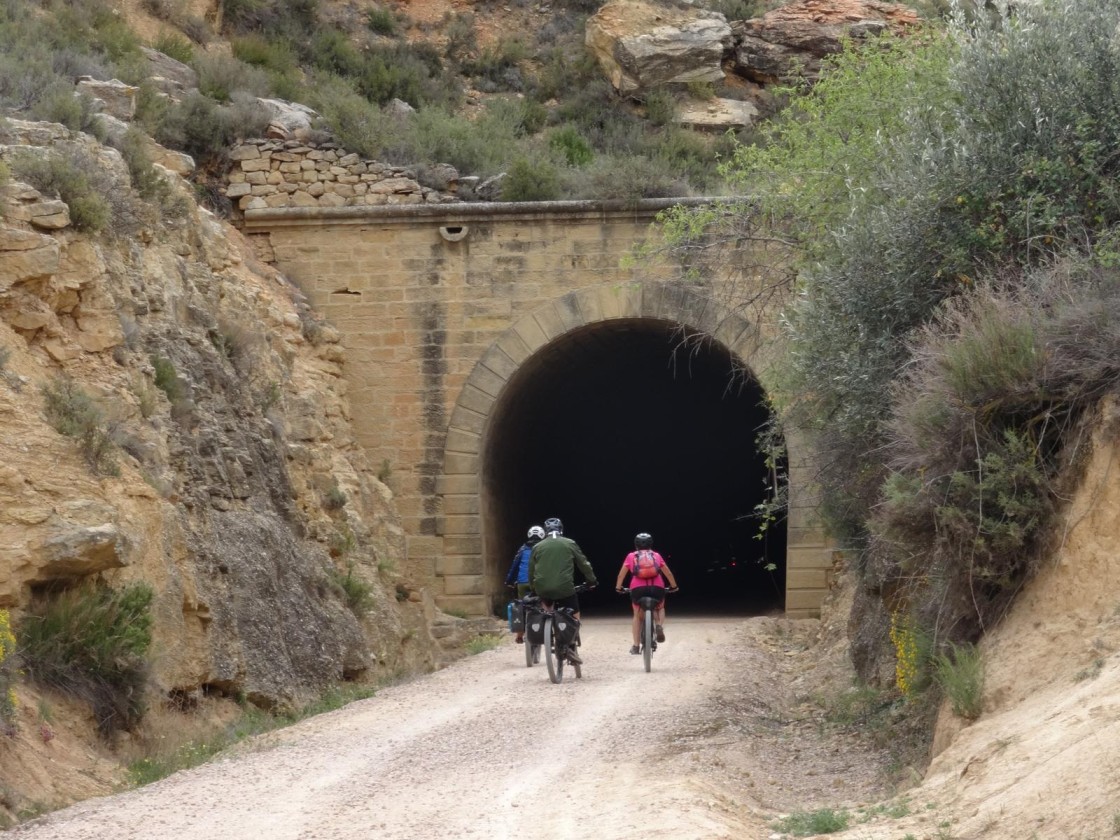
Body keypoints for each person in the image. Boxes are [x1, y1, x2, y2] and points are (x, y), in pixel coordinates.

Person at [528, 517, 598, 664]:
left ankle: (548, 628)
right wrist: (591, 581)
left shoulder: (538, 547)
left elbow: (531, 571)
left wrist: (534, 589)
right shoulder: (569, 543)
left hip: (543, 589)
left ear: (545, 532)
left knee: (546, 606)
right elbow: (584, 564)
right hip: (565, 588)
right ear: (561, 530)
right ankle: (571, 643)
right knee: (574, 611)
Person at [615, 532, 679, 655]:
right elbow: (668, 573)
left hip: (637, 589)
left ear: (636, 544)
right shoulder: (656, 555)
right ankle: (659, 624)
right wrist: (673, 586)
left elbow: (620, 575)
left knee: (637, 617)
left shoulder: (631, 556)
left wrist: (619, 588)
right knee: (660, 607)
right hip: (657, 588)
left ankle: (635, 646)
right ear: (651, 544)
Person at [505, 524, 545, 643]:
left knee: (521, 606)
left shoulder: (522, 549)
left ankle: (519, 635)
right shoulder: (543, 549)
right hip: (538, 582)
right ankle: (546, 627)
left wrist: (509, 581)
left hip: (522, 583)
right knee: (543, 603)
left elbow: (514, 566)